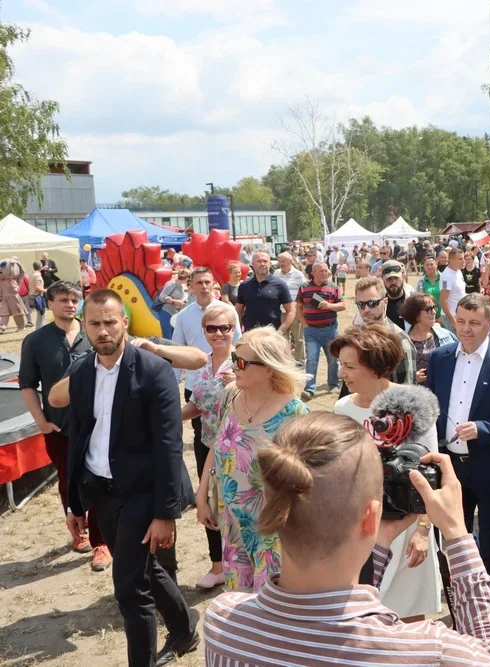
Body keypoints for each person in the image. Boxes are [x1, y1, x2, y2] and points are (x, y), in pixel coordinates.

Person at [202, 413, 490, 665]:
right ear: (370, 518)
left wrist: (376, 539)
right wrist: (457, 533)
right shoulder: (426, 651)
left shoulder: (223, 622)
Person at [62, 289, 199, 666]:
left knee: (128, 588)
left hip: (143, 492)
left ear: (124, 321)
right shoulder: (80, 373)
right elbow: (78, 439)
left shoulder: (153, 370)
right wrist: (74, 502)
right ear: (85, 327)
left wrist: (165, 513)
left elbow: (169, 445)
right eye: (95, 324)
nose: (103, 330)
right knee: (146, 568)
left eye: (110, 321)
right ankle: (185, 628)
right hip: (101, 492)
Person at [332, 327, 443, 619]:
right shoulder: (342, 408)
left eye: (350, 366)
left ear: (376, 367)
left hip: (406, 526)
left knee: (407, 614)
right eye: (341, 364)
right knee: (366, 614)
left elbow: (431, 473)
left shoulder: (413, 404)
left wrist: (422, 530)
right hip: (362, 528)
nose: (342, 373)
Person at [196, 327, 309, 592]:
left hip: (272, 530)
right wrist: (202, 496)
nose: (234, 366)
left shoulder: (295, 414)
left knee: (270, 604)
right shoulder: (230, 395)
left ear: (269, 368)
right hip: (232, 523)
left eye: (242, 362)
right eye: (234, 358)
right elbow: (216, 444)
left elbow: (306, 480)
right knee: (239, 600)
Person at [425, 294, 490, 592]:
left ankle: (489, 601)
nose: (466, 329)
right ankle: (459, 595)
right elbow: (431, 408)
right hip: (450, 466)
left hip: (489, 466)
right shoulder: (440, 358)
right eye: (461, 321)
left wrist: (484, 428)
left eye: (474, 323)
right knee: (452, 536)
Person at [19, 280, 111, 570]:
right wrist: (41, 422)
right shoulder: (35, 341)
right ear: (50, 304)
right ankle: (77, 529)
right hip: (59, 428)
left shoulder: (94, 333)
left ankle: (100, 542)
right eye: (63, 300)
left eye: (74, 300)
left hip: (97, 423)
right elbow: (27, 385)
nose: (70, 305)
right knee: (68, 480)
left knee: (98, 479)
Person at [170, 268, 242, 587]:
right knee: (210, 504)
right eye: (211, 328)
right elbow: (196, 406)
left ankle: (241, 564)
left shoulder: (244, 364)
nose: (218, 333)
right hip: (205, 443)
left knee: (238, 506)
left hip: (237, 451)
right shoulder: (203, 364)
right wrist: (167, 418)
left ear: (233, 329)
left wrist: (242, 383)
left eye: (224, 328)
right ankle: (217, 567)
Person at [352, 277, 417, 387]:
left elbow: (405, 389)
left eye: (372, 303)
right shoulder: (356, 337)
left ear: (385, 302)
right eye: (361, 304)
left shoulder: (399, 340)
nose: (366, 309)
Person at [296, 262, 345, 400]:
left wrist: (330, 305)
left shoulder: (333, 287)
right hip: (311, 330)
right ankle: (309, 389)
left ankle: (333, 384)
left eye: (326, 271)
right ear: (313, 272)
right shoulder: (304, 288)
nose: (325, 273)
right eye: (322, 271)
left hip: (330, 329)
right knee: (312, 359)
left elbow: (343, 305)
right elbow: (298, 307)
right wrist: (305, 324)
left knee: (333, 358)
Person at [401, 292, 457, 384]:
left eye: (434, 307)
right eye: (429, 309)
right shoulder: (402, 341)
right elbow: (394, 375)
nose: (434, 312)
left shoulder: (447, 336)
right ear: (415, 314)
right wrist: (412, 379)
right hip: (415, 395)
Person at [236, 251, 295, 333]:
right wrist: (238, 330)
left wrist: (281, 330)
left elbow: (291, 310)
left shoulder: (280, 285)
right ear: (252, 264)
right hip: (249, 334)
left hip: (272, 335)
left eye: (265, 261)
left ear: (269, 263)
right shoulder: (244, 285)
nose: (262, 264)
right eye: (259, 261)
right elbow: (239, 310)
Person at [274, 252, 308, 364]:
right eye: (280, 261)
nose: (281, 263)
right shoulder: (276, 274)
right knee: (283, 339)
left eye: (283, 261)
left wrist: (300, 306)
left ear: (290, 261)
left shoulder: (298, 275)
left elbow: (305, 290)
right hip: (280, 311)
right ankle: (286, 362)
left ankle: (300, 362)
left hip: (294, 312)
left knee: (298, 339)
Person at [439, 249, 466, 333]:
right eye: (460, 259)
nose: (463, 261)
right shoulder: (447, 276)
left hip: (459, 314)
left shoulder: (458, 271)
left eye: (463, 258)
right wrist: (452, 320)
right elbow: (443, 301)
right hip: (451, 316)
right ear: (451, 260)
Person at [382, 260, 413, 329]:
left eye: (396, 278)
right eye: (389, 279)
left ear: (402, 277)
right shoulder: (377, 303)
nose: (393, 282)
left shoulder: (413, 301)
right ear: (383, 280)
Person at [0, 258, 28, 332]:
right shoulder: (1, 281)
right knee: (4, 313)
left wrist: (18, 263)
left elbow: (22, 273)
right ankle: (2, 327)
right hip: (4, 298)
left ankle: (21, 326)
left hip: (13, 297)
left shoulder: (13, 281)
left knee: (17, 313)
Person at [26, 261, 46, 329]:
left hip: (32, 296)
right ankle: (39, 330)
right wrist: (46, 290)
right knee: (41, 315)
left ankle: (40, 329)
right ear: (40, 266)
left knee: (40, 314)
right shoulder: (37, 276)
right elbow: (38, 288)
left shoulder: (32, 274)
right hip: (37, 297)